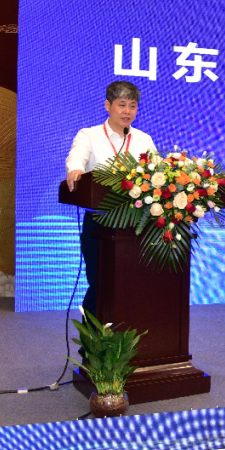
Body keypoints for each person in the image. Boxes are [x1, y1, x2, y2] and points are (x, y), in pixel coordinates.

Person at [65, 81, 156, 318]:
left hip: (136, 224)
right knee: (100, 284)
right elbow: (76, 158)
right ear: (108, 105)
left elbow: (157, 174)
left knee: (132, 284)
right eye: (122, 105)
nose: (127, 111)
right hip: (100, 223)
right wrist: (76, 169)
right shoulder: (89, 135)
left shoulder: (144, 139)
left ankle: (129, 335)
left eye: (133, 106)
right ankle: (92, 337)